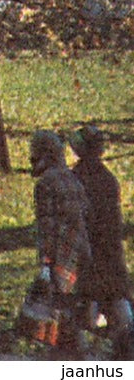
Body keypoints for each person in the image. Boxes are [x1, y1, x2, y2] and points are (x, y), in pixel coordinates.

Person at [67, 125, 132, 359]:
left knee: (87, 303)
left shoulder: (74, 179)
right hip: (108, 252)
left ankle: (88, 356)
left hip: (88, 251)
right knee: (115, 299)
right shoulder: (107, 179)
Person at [30, 128, 92, 360]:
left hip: (61, 258)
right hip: (82, 253)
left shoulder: (45, 184)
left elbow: (48, 227)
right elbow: (85, 213)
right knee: (70, 315)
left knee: (59, 318)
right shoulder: (71, 178)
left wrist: (45, 264)